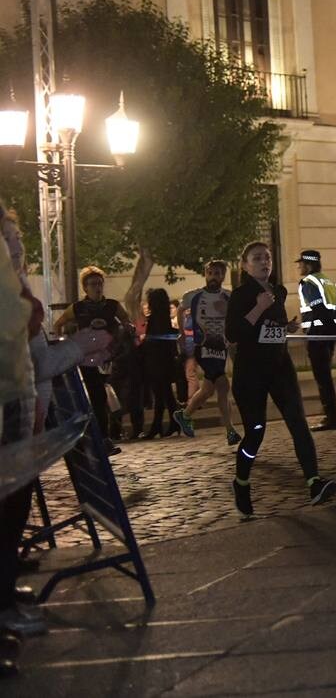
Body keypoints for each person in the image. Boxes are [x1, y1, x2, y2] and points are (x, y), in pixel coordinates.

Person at [1, 203, 112, 649]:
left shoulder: (15, 287)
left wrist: (75, 353)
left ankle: (5, 590)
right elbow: (33, 356)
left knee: (13, 504)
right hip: (10, 401)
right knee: (7, 503)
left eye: (16, 240)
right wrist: (77, 348)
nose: (16, 249)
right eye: (8, 241)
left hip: (21, 404)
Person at [225, 242, 336, 516]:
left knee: (298, 421)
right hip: (250, 372)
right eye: (257, 258)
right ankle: (241, 482)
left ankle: (314, 482)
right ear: (245, 265)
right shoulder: (240, 295)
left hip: (279, 367)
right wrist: (257, 308)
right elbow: (234, 333)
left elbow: (269, 330)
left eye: (267, 258)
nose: (264, 262)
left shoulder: (278, 292)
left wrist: (285, 327)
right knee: (256, 432)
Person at [52, 266, 131, 455]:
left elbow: (126, 322)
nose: (97, 287)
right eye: (93, 284)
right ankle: (97, 440)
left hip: (109, 359)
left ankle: (105, 438)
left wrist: (125, 332)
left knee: (107, 400)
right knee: (95, 400)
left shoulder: (112, 305)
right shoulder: (78, 308)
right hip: (86, 361)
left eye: (100, 283)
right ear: (85, 288)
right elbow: (58, 324)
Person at [174, 261, 239, 444]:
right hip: (203, 346)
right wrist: (181, 333)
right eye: (210, 273)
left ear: (223, 276)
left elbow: (234, 318)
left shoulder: (228, 296)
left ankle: (185, 415)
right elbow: (180, 310)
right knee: (223, 385)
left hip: (221, 347)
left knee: (207, 389)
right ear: (205, 274)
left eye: (217, 273)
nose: (213, 276)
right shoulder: (193, 295)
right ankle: (230, 430)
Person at [296, 249, 336, 431]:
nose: (299, 266)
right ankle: (331, 416)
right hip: (328, 335)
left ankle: (331, 417)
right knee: (326, 377)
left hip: (318, 335)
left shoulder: (308, 283)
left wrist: (315, 332)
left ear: (308, 264)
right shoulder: (329, 282)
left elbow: (319, 309)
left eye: (301, 263)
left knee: (322, 378)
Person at [141, 289, 183, 438]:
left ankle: (159, 425)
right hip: (166, 360)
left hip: (156, 361)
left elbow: (153, 339)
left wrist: (144, 341)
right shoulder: (165, 317)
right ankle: (172, 423)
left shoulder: (154, 319)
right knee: (166, 394)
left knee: (160, 394)